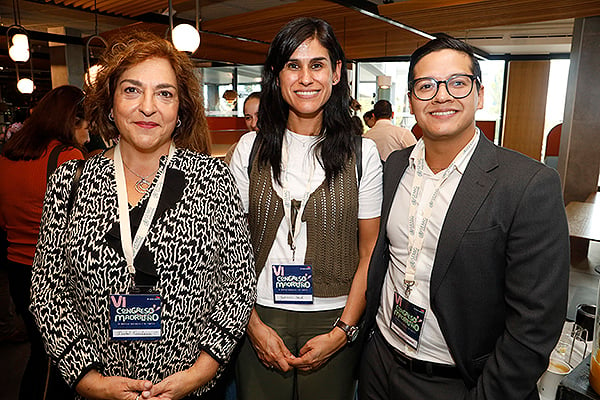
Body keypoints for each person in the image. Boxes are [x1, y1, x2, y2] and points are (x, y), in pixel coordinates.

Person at [30, 32, 256, 400]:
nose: (147, 107)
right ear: (109, 103)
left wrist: (201, 373)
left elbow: (237, 285)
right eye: (132, 90)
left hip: (190, 391)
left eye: (164, 93)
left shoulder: (212, 181)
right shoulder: (70, 183)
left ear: (181, 108)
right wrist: (90, 382)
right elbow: (48, 293)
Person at [359, 37, 570, 400]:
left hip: (458, 380)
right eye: (426, 86)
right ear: (411, 100)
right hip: (380, 362)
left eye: (457, 83)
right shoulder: (395, 166)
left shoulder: (527, 184)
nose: (441, 96)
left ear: (479, 94)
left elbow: (536, 323)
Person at [229, 17, 382, 400]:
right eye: (293, 66)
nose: (305, 78)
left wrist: (342, 332)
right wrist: (251, 324)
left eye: (317, 65)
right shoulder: (250, 149)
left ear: (336, 73)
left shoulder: (363, 154)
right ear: (277, 76)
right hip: (260, 312)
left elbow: (370, 253)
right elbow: (229, 250)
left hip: (333, 316)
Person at [0, 84, 87, 400]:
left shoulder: (8, 156)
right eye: (86, 125)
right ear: (71, 121)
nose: (89, 135)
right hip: (54, 275)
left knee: (40, 352)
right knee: (63, 359)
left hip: (17, 271)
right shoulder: (68, 158)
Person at [224, 92, 261, 165]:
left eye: (259, 116)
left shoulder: (285, 146)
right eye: (248, 118)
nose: (253, 124)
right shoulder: (236, 150)